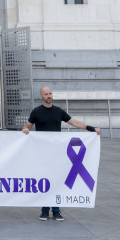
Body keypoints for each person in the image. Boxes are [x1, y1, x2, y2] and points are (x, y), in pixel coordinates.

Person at [22, 86, 101, 222]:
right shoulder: (36, 112)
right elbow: (27, 126)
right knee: (46, 181)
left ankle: (56, 210)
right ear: (41, 96)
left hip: (57, 153)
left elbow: (74, 123)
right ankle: (45, 210)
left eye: (50, 93)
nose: (49, 96)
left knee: (57, 180)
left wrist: (91, 129)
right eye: (46, 94)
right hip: (43, 153)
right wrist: (25, 130)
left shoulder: (58, 111)